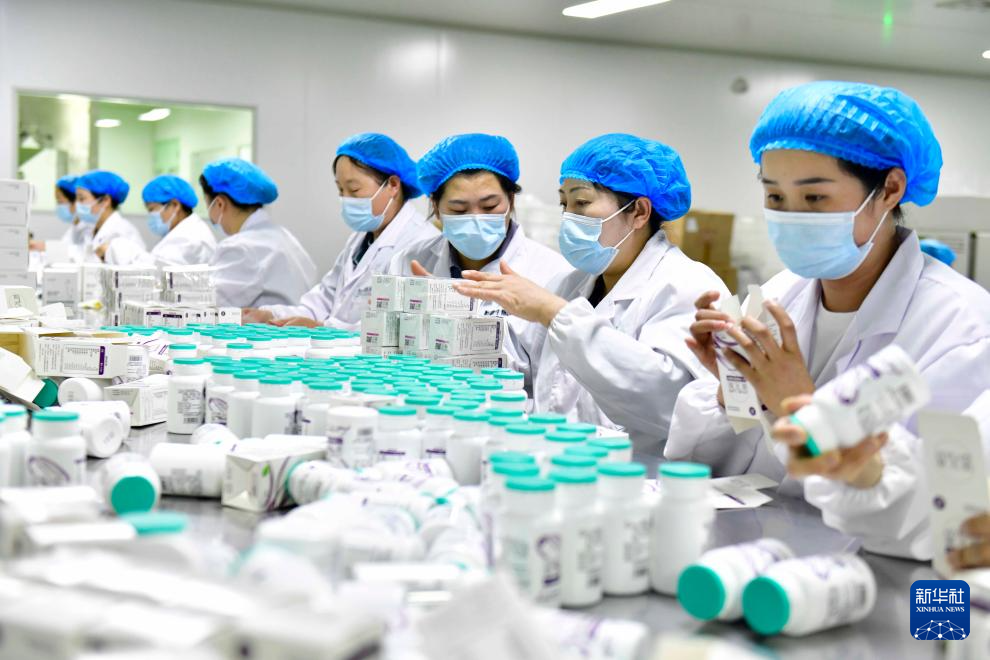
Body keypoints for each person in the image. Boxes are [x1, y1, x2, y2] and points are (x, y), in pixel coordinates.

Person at [666, 80, 990, 560]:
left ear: (890, 189)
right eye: (775, 198)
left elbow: (948, 517)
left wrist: (802, 408)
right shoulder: (780, 294)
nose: (791, 217)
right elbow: (726, 469)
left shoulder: (963, 328)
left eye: (815, 198)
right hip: (761, 557)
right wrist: (734, 391)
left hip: (881, 580)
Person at [453, 134, 728, 450]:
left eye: (581, 203)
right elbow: (517, 365)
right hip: (558, 460)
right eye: (564, 204)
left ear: (639, 212)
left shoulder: (685, 286)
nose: (568, 217)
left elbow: (668, 403)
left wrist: (554, 313)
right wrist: (450, 320)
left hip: (636, 470)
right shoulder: (571, 283)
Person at [245, 133, 438, 329]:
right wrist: (272, 314)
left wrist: (323, 329)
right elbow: (324, 299)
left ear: (393, 185)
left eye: (354, 190)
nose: (346, 199)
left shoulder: (421, 243)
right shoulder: (360, 239)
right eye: (340, 190)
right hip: (341, 346)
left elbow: (396, 328)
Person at [387, 133, 570, 314]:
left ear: (511, 200)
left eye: (489, 206)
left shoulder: (554, 272)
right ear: (436, 207)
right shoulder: (406, 263)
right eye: (459, 209)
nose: (476, 219)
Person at [200, 158, 317, 308]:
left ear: (220, 204)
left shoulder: (241, 248)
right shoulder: (285, 237)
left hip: (275, 323)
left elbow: (208, 306)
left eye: (208, 205)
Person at [103, 175, 216, 266]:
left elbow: (158, 272)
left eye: (152, 209)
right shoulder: (183, 231)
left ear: (175, 205)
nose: (150, 216)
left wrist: (118, 249)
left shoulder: (189, 238)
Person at [74, 170, 146, 262]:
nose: (77, 204)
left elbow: (138, 267)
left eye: (81, 199)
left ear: (105, 201)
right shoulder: (93, 228)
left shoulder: (122, 232)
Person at [29, 175, 92, 260]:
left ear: (75, 201)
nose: (58, 206)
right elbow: (64, 246)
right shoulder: (76, 225)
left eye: (60, 201)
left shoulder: (89, 226)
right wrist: (40, 246)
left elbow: (84, 254)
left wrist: (45, 247)